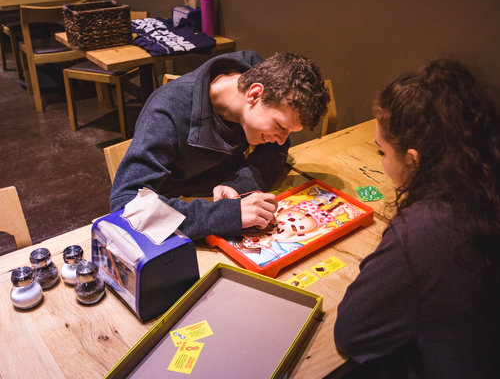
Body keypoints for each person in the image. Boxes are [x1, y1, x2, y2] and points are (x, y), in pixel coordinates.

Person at [334, 59, 500, 378]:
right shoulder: (483, 183)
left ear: (413, 159)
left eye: (382, 152)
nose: (382, 163)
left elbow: (352, 331)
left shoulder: (427, 228)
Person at [110, 50, 329, 240]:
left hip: (227, 206)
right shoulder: (166, 113)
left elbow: (274, 150)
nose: (283, 139)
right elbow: (126, 205)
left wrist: (240, 185)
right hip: (179, 222)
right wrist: (227, 215)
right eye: (279, 126)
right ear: (254, 94)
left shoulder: (255, 69)